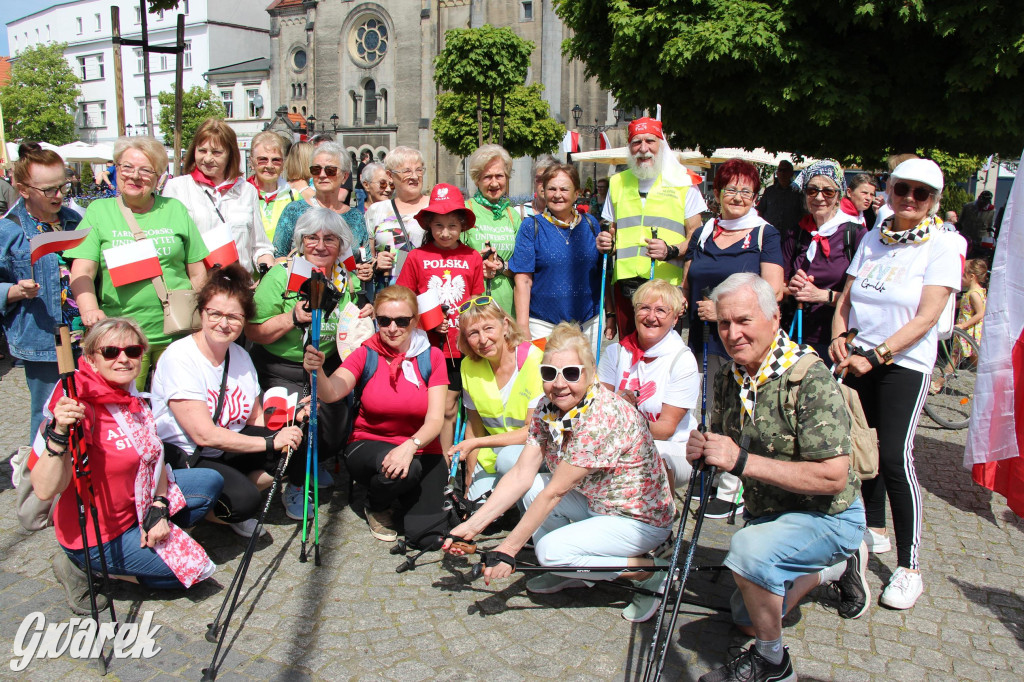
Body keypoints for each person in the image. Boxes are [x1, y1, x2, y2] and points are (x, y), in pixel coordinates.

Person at [688, 273, 865, 682]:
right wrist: (704, 451)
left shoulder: (810, 378)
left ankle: (772, 662)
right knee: (745, 616)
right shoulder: (730, 376)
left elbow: (833, 478)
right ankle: (833, 571)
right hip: (771, 516)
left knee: (748, 552)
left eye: (744, 321)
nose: (733, 333)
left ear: (774, 317)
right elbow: (726, 446)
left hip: (829, 516)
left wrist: (741, 461)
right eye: (724, 323)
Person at [443, 323, 675, 623]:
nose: (559, 383)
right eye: (549, 374)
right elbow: (520, 474)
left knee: (551, 551)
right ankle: (571, 569)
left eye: (571, 373)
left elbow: (555, 493)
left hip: (637, 518)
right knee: (531, 487)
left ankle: (649, 570)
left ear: (591, 373)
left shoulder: (601, 416)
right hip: (598, 501)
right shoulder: (546, 407)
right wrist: (472, 526)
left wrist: (508, 549)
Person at [831, 158, 963, 610]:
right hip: (859, 356)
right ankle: (873, 530)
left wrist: (877, 355)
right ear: (888, 189)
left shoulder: (943, 245)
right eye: (901, 188)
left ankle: (910, 567)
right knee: (859, 448)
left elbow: (927, 316)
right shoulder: (874, 234)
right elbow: (847, 297)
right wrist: (838, 335)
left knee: (893, 456)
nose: (909, 198)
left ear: (933, 202)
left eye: (921, 193)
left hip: (904, 363)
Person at [29, 318, 223, 614]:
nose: (123, 358)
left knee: (209, 482)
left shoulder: (130, 395)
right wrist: (57, 434)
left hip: (138, 507)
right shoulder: (78, 405)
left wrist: (158, 508)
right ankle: (82, 566)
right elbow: (43, 489)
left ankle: (151, 539)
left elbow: (153, 457)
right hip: (99, 534)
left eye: (132, 351)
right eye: (110, 352)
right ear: (91, 359)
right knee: (191, 573)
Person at [151, 265, 305, 537]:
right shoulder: (180, 357)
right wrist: (270, 441)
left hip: (226, 445)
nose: (224, 323)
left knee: (292, 448)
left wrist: (290, 422)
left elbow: (255, 418)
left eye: (234, 317)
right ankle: (196, 510)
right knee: (246, 501)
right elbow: (204, 434)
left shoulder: (241, 356)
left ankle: (224, 496)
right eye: (216, 313)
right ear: (201, 312)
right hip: (187, 454)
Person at [245, 208, 371, 519]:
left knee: (336, 421)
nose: (319, 245)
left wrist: (366, 316)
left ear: (341, 245)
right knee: (296, 421)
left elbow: (355, 321)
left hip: (324, 365)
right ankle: (297, 481)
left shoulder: (347, 281)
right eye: (311, 238)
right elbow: (253, 331)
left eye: (330, 239)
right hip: (279, 367)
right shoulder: (281, 275)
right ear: (301, 241)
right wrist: (292, 318)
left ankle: (313, 462)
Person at [303, 285, 448, 542]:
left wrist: (410, 446)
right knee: (406, 470)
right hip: (369, 444)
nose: (393, 328)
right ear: (376, 321)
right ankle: (376, 503)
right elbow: (332, 392)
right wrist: (318, 373)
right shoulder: (365, 353)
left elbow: (436, 420)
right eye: (384, 321)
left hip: (422, 448)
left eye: (402, 321)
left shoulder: (432, 356)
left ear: (415, 321)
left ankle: (401, 494)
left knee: (427, 539)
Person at [682, 158, 784, 518]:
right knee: (711, 407)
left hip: (742, 337)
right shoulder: (705, 232)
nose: (738, 196)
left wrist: (722, 308)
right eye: (731, 189)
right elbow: (689, 278)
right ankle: (711, 470)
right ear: (717, 193)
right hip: (705, 336)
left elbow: (773, 290)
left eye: (746, 190)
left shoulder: (764, 234)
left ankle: (733, 485)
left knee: (742, 409)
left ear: (755, 196)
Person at [68, 136, 209, 389]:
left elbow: (198, 272)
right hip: (123, 339)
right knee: (126, 406)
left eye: (145, 170)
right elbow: (82, 270)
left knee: (177, 406)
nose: (135, 176)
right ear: (116, 169)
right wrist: (89, 308)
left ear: (158, 177)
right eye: (127, 167)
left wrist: (203, 318)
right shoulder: (99, 212)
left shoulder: (174, 209)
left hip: (178, 332)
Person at [596, 117, 707, 339]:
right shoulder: (617, 182)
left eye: (650, 141)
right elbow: (612, 232)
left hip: (665, 287)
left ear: (661, 144)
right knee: (628, 355)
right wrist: (605, 242)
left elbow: (697, 236)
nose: (643, 149)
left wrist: (671, 250)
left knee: (662, 357)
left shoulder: (683, 181)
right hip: (626, 286)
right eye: (636, 142)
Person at [0, 143, 82, 440]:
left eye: (63, 185)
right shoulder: (8, 230)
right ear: (22, 189)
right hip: (44, 341)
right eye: (49, 189)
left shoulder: (76, 221)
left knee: (86, 411)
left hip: (85, 337)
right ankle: (45, 480)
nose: (59, 195)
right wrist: (14, 290)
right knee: (49, 415)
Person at [396, 184, 484, 452]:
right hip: (426, 347)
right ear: (429, 227)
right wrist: (427, 322)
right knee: (428, 405)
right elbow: (403, 301)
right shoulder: (416, 257)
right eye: (438, 226)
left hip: (461, 348)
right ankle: (429, 455)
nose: (445, 233)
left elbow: (477, 303)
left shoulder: (472, 257)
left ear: (462, 226)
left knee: (451, 407)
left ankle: (448, 461)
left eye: (452, 225)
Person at [597, 279, 699, 488]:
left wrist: (622, 417)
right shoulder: (615, 353)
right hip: (622, 440)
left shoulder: (682, 359)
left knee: (650, 458)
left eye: (661, 310)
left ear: (675, 318)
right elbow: (598, 411)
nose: (651, 317)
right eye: (644, 308)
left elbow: (665, 429)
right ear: (634, 312)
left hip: (672, 447)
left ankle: (657, 515)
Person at [450, 296, 544, 500]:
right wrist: (468, 479)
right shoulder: (468, 366)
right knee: (477, 506)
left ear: (505, 325)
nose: (483, 340)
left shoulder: (534, 359)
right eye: (473, 333)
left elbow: (533, 431)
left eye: (488, 328)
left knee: (507, 460)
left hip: (534, 449)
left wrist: (476, 444)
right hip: (491, 454)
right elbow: (474, 429)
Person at [509, 163, 604, 346]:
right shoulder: (531, 227)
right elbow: (523, 279)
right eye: (551, 189)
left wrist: (610, 313)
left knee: (587, 374)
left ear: (577, 193)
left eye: (564, 189)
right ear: (543, 192)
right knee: (545, 374)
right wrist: (522, 325)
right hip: (544, 325)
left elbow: (601, 271)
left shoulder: (591, 224)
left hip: (588, 323)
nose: (557, 194)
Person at [162, 119, 274, 274]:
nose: (207, 158)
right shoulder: (177, 188)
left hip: (238, 289)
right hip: (197, 288)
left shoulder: (247, 191)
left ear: (230, 155)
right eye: (202, 151)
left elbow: (260, 245)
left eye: (216, 153)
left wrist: (270, 275)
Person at [783, 160, 867, 358]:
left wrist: (822, 295)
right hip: (795, 334)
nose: (819, 197)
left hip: (834, 338)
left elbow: (865, 295)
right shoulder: (796, 233)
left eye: (828, 192)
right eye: (812, 190)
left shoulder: (856, 235)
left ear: (838, 196)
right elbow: (779, 285)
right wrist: (793, 288)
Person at [272, 142, 368, 257]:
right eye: (316, 170)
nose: (322, 175)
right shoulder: (294, 211)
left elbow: (365, 258)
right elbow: (278, 255)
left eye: (330, 170)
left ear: (345, 177)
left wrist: (365, 268)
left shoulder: (356, 217)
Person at [463, 144, 522, 318]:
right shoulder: (466, 212)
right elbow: (452, 260)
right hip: (475, 305)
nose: (494, 183)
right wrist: (478, 268)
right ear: (477, 179)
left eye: (499, 176)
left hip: (508, 306)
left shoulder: (513, 216)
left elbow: (523, 268)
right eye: (487, 177)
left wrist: (502, 267)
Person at [367, 146, 431, 284]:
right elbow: (366, 260)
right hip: (390, 294)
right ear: (390, 175)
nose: (415, 176)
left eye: (419, 170)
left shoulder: (434, 207)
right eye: (407, 171)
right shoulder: (376, 210)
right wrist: (377, 262)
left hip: (428, 292)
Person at [247, 131, 301, 244]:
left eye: (276, 160)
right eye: (262, 159)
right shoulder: (240, 196)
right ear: (251, 162)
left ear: (283, 165)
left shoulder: (294, 197)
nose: (269, 166)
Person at [755, 159, 803, 237]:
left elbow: (803, 214)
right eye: (780, 170)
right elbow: (760, 211)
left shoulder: (798, 193)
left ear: (791, 173)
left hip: (790, 236)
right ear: (777, 173)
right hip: (769, 234)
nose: (782, 173)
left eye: (785, 170)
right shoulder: (769, 191)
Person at [514, 155, 558, 220]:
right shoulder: (519, 213)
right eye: (540, 179)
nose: (544, 184)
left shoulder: (565, 215)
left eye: (548, 179)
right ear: (534, 181)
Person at [959, 190, 995, 256]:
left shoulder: (991, 210)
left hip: (981, 241)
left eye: (986, 203)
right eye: (982, 202)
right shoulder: (968, 207)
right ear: (979, 198)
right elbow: (960, 223)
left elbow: (990, 227)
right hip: (967, 238)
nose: (983, 204)